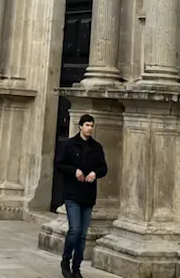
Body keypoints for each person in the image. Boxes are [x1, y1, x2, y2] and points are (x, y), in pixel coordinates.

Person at [55, 113, 107, 278]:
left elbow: (103, 168)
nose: (89, 128)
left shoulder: (97, 147)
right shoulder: (69, 145)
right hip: (72, 194)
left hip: (88, 195)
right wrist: (74, 171)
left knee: (83, 235)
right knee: (75, 230)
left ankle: (76, 267)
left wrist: (94, 173)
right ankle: (65, 261)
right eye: (87, 125)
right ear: (80, 126)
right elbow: (59, 164)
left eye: (92, 125)